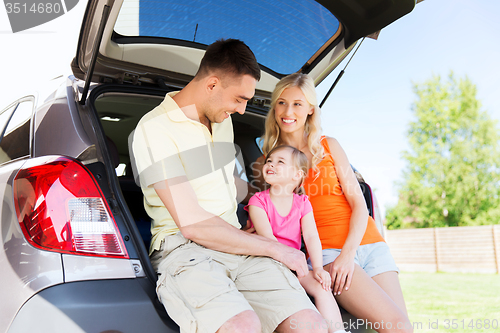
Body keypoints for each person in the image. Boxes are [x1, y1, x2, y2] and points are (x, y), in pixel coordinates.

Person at [130, 39, 328, 333]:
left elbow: (226, 182)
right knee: (241, 325)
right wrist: (275, 248)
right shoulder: (155, 128)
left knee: (309, 323)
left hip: (236, 242)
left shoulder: (221, 119)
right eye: (239, 99)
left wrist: (262, 200)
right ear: (212, 85)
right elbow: (192, 224)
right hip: (185, 249)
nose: (242, 109)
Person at [252, 73, 413, 333]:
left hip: (369, 244)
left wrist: (349, 255)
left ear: (310, 110)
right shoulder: (268, 163)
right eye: (281, 103)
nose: (288, 111)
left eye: (297, 104)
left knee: (402, 329)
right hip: (327, 252)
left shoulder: (329, 146)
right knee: (398, 326)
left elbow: (359, 204)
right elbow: (269, 211)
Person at [246, 145, 348, 333]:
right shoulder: (258, 201)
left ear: (296, 175)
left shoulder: (302, 203)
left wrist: (317, 268)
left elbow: (311, 236)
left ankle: (338, 331)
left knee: (321, 286)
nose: (271, 164)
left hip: (296, 265)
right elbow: (268, 241)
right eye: (269, 160)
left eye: (280, 162)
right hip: (270, 265)